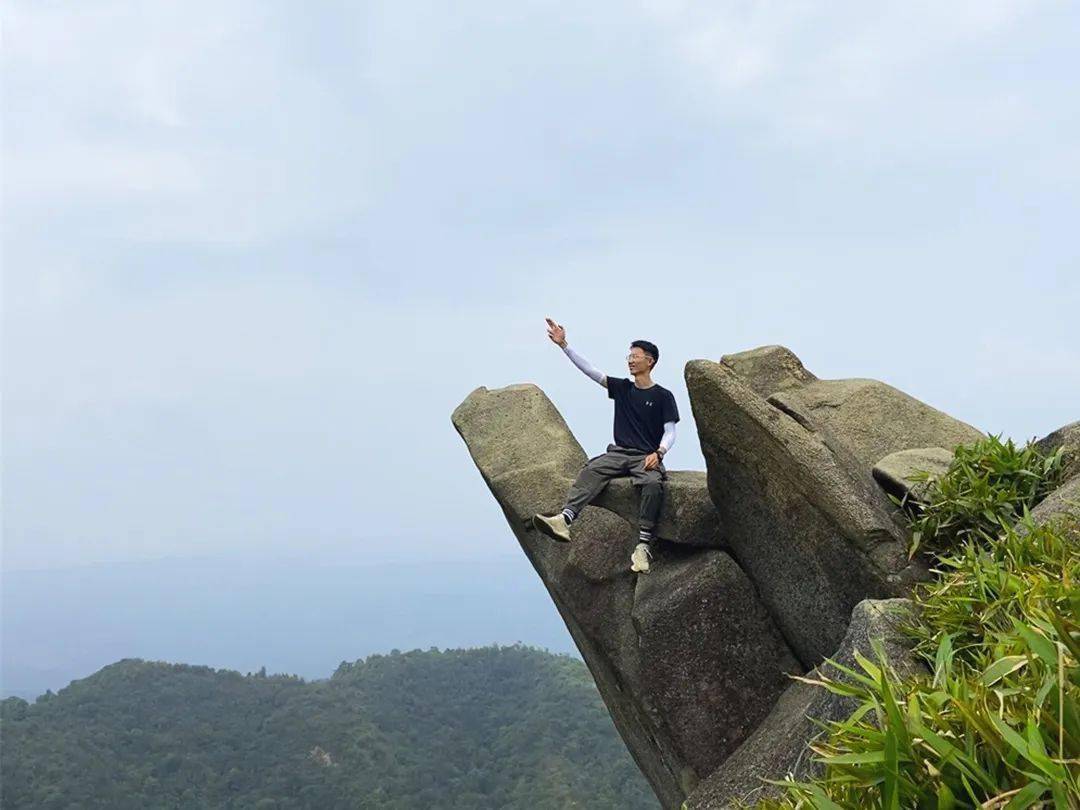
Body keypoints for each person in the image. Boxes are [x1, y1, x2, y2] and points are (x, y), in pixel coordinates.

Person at [533, 317, 679, 574]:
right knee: (591, 470)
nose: (630, 360)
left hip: (644, 456)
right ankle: (564, 520)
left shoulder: (663, 396)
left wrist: (659, 453)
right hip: (618, 453)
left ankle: (643, 546)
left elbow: (670, 431)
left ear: (650, 361)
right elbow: (591, 371)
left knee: (653, 484)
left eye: (636, 356)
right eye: (629, 356)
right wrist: (564, 345)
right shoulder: (623, 388)